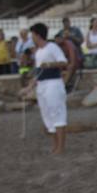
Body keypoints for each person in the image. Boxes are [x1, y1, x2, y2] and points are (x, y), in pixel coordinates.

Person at [25, 22, 68, 155]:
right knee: (47, 115)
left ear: (37, 35)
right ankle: (55, 145)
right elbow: (38, 73)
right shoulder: (39, 52)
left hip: (53, 84)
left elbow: (64, 62)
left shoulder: (52, 47)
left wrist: (50, 64)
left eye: (32, 35)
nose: (31, 37)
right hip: (42, 85)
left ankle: (60, 147)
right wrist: (29, 87)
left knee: (57, 114)